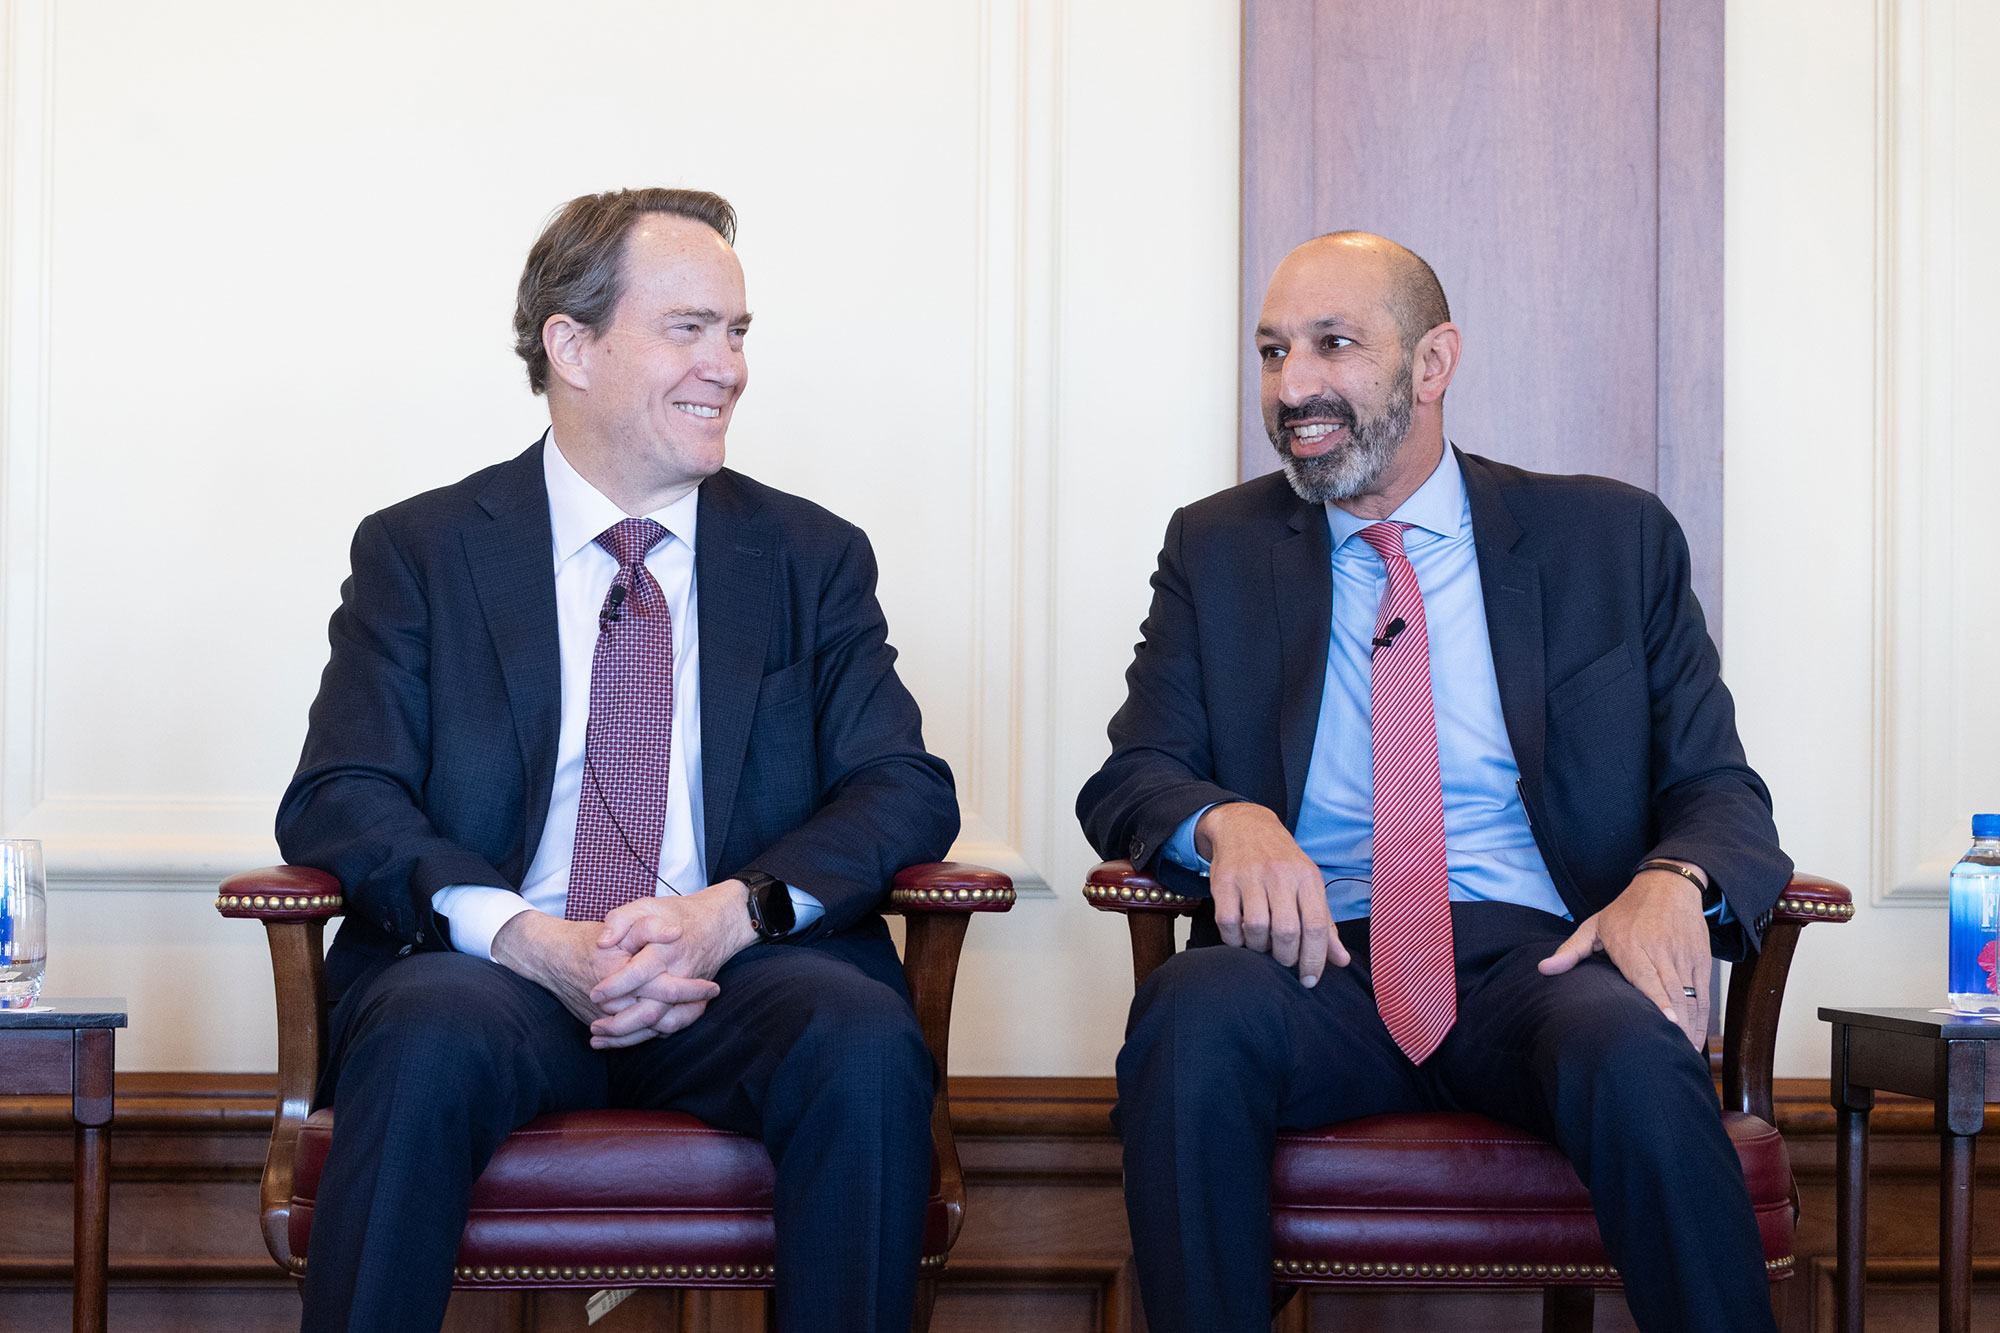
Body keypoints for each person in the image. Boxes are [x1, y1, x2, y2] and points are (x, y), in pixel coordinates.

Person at [1076, 232, 1792, 1333]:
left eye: (1331, 345)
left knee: (1636, 1058)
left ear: (1431, 361)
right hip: (1311, 966)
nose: (1292, 386)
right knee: (1188, 1013)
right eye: (1272, 353)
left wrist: (1673, 874)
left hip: (1535, 961)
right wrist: (1227, 819)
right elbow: (1133, 774)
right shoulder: (1216, 549)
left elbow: (1718, 791)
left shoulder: (1608, 539)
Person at [277, 187, 958, 1333]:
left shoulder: (808, 555)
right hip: (499, 975)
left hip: (738, 973)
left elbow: (901, 786)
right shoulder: (423, 551)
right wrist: (525, 936)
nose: (728, 366)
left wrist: (728, 915)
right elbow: (344, 796)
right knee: (421, 1033)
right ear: (572, 346)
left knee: (858, 1038)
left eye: (737, 332)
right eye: (689, 327)